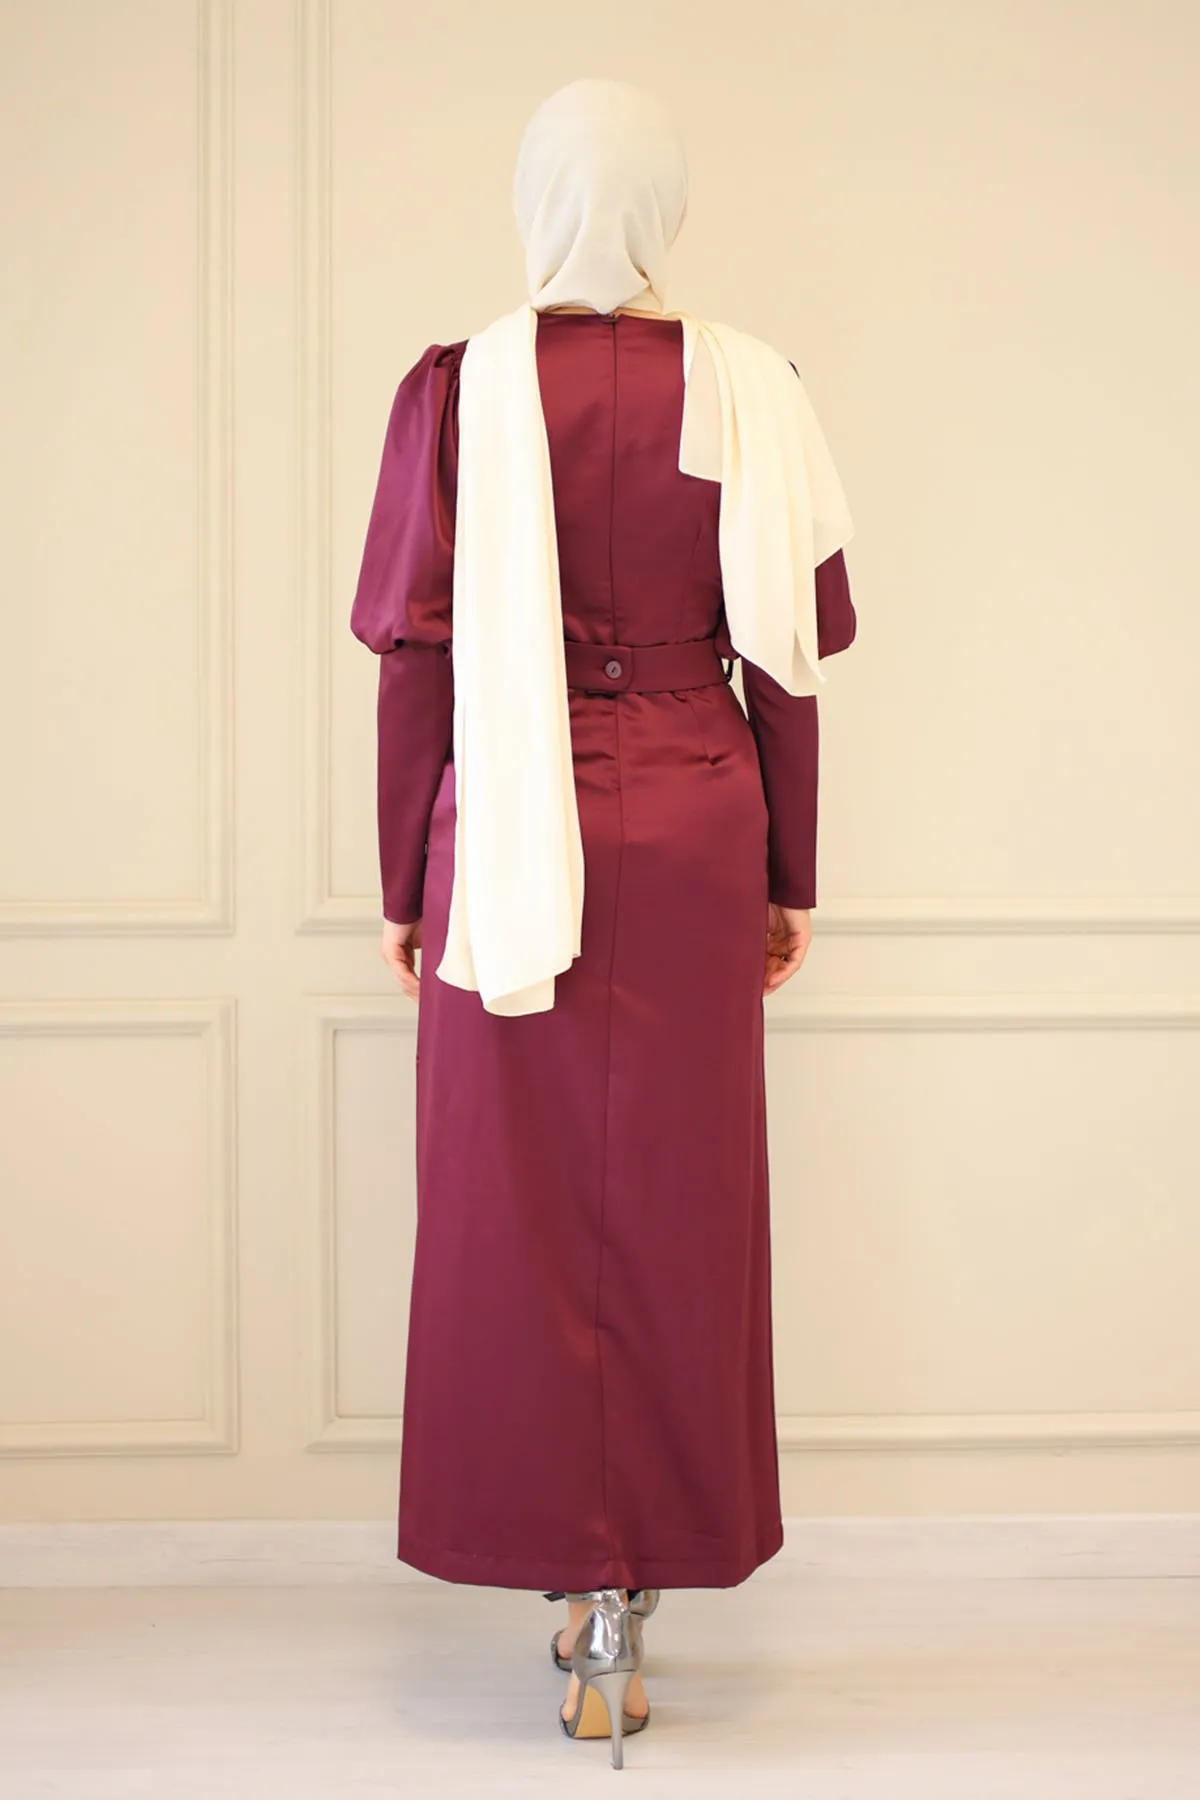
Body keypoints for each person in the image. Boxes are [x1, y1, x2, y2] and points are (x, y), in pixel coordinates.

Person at [350, 77, 857, 1769]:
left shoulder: (463, 389)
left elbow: (417, 657)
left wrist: (403, 882)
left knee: (514, 1214)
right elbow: (787, 658)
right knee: (684, 1209)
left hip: (511, 823)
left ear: (534, 199)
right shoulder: (756, 387)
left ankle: (574, 1590)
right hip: (702, 817)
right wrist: (791, 870)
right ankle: (638, 1586)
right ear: (666, 208)